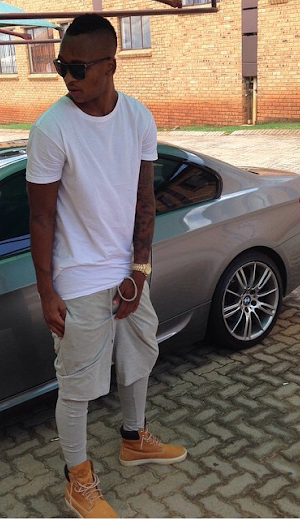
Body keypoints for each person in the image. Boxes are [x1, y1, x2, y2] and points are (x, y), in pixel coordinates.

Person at [25, 13, 187, 519]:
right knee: (77, 385)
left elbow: (144, 199)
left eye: (78, 69)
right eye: (61, 67)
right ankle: (78, 480)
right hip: (77, 279)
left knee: (139, 356)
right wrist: (46, 292)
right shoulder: (51, 128)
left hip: (127, 271)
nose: (67, 78)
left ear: (110, 65)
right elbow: (40, 217)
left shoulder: (138, 118)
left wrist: (140, 270)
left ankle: (134, 439)